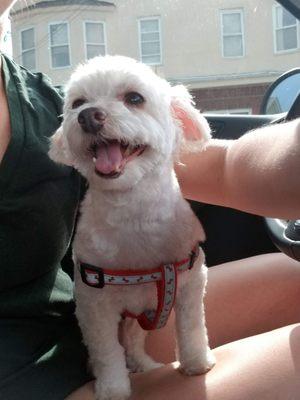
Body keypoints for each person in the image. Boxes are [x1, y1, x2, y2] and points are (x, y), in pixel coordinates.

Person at [1, 2, 300, 399]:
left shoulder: (39, 100)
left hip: (77, 323)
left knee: (293, 275)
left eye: (134, 100)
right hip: (23, 372)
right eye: (81, 108)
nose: (93, 115)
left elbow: (223, 165)